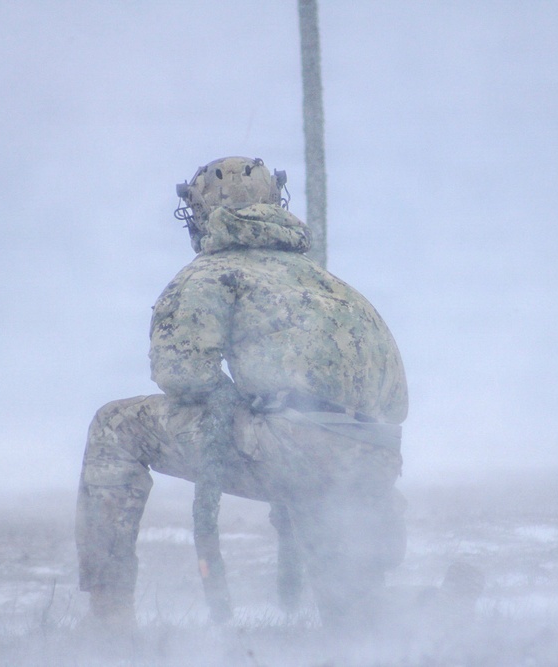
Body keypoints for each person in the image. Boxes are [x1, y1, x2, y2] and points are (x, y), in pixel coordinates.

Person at [75, 157, 408, 631]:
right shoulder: (329, 282)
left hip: (293, 450)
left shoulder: (212, 272)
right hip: (373, 460)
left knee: (114, 425)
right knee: (358, 623)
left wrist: (234, 397)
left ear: (206, 210)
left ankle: (107, 619)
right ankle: (422, 614)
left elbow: (181, 371)